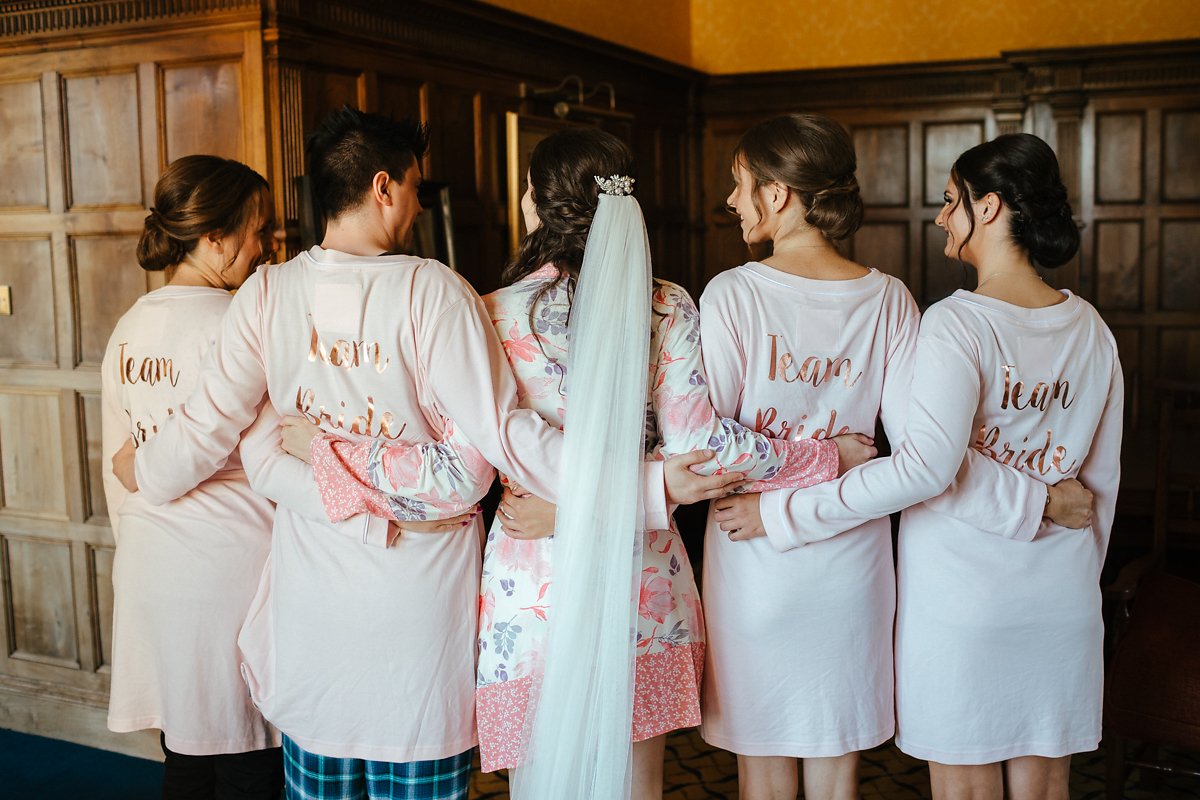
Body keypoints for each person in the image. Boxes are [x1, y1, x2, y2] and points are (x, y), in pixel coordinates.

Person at [110, 107, 732, 800]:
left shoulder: (266, 294)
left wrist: (320, 465)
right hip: (412, 606)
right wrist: (641, 489)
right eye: (413, 185)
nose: (415, 201)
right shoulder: (437, 291)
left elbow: (260, 459)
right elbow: (489, 451)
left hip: (322, 605)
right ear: (383, 188)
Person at [281, 127, 878, 799]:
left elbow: (459, 469)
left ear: (535, 202)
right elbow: (704, 448)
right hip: (643, 584)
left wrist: (332, 449)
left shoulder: (484, 314)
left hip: (530, 589)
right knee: (640, 788)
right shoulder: (667, 304)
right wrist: (823, 457)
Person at [715, 132, 1118, 800]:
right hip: (1061, 593)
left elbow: (927, 467)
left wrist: (781, 504)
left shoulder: (955, 324)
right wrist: (1052, 519)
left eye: (949, 202)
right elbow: (1098, 488)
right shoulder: (1092, 330)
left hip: (958, 599)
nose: (938, 217)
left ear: (988, 209)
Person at [100, 154, 283, 799]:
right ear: (214, 238)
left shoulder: (130, 326)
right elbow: (274, 459)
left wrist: (139, 543)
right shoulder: (236, 326)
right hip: (226, 566)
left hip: (152, 562)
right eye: (257, 229)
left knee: (183, 750)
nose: (264, 247)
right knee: (246, 753)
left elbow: (116, 465)